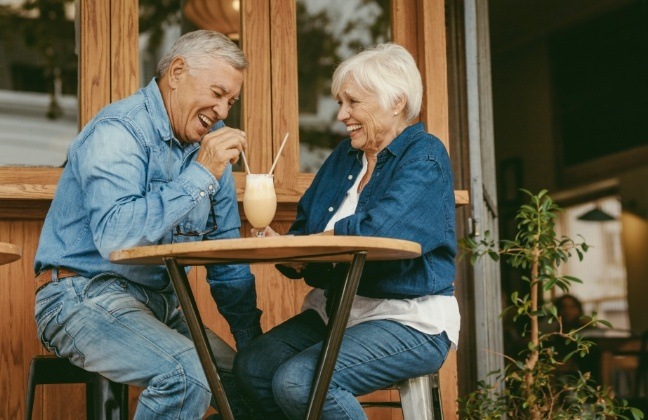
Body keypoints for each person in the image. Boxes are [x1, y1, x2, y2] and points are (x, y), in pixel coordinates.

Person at [33, 30, 262, 419]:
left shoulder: (212, 142)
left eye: (231, 101)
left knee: (255, 388)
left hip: (160, 306)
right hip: (79, 296)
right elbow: (117, 237)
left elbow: (225, 255)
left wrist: (253, 347)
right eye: (217, 93)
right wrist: (201, 172)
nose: (223, 111)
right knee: (187, 375)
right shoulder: (118, 131)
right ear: (176, 72)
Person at [234, 43, 460, 419]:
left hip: (408, 318)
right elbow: (306, 229)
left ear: (396, 101)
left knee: (298, 382)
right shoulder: (344, 157)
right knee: (253, 368)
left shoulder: (425, 155)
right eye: (340, 102)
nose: (342, 115)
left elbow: (380, 232)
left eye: (353, 102)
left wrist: (310, 245)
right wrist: (292, 253)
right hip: (337, 311)